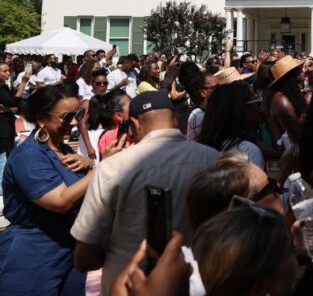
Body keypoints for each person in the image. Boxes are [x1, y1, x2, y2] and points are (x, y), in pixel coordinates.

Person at [72, 91, 220, 294]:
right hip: (200, 285)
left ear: (134, 124)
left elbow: (85, 258)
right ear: (176, 119)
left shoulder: (111, 169)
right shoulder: (216, 161)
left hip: (129, 287)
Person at [0, 85, 120, 295]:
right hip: (34, 252)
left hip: (69, 248)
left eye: (78, 115)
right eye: (66, 117)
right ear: (41, 119)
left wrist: (90, 166)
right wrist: (101, 169)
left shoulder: (63, 150)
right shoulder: (29, 156)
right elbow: (61, 201)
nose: (74, 122)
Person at [197, 82, 266, 168]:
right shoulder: (248, 151)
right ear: (244, 110)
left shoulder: (204, 150)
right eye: (258, 102)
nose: (262, 108)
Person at [0, 61, 28, 183]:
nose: (8, 73)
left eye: (8, 70)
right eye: (5, 71)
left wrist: (8, 109)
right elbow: (15, 101)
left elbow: (17, 106)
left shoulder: (5, 87)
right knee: (2, 157)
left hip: (8, 126)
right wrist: (23, 82)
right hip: (2, 128)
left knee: (8, 155)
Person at [77, 71, 110, 162]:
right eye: (98, 83)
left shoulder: (107, 99)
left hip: (104, 136)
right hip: (91, 137)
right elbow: (82, 124)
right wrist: (89, 147)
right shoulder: (87, 101)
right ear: (92, 84)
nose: (102, 85)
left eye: (105, 83)